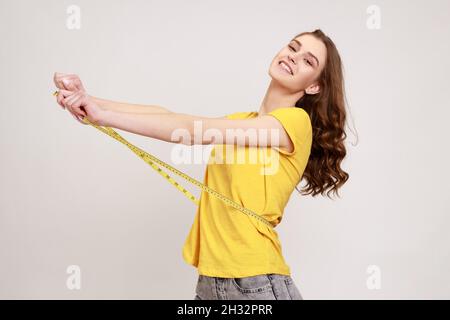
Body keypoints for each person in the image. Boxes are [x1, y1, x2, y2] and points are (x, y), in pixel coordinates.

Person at [53, 28, 349, 300]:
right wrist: (90, 101)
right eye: (292, 47)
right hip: (212, 281)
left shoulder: (295, 123)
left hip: (253, 282)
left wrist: (104, 117)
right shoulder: (242, 122)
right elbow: (167, 115)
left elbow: (191, 130)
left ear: (314, 87)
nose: (293, 57)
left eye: (308, 61)